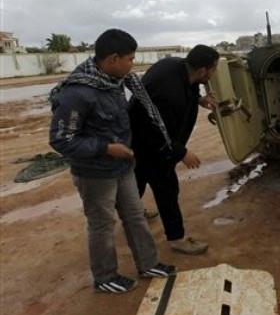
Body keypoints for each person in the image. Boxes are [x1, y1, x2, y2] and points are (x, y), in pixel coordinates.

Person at [49, 29, 176, 294]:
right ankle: (105, 277)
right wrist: (106, 148)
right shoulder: (78, 93)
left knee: (136, 216)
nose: (133, 64)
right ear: (113, 59)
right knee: (102, 226)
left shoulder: (115, 82)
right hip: (95, 173)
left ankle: (148, 264)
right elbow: (62, 140)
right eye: (130, 59)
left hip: (122, 167)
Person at [129, 45, 219, 255]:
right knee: (167, 189)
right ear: (203, 70)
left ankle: (132, 212)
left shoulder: (176, 66)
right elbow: (155, 131)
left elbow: (188, 88)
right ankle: (177, 239)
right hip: (147, 143)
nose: (214, 73)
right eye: (214, 69)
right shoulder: (169, 93)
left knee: (135, 183)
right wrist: (182, 152)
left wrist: (200, 99)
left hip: (140, 140)